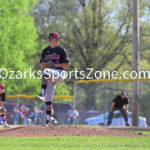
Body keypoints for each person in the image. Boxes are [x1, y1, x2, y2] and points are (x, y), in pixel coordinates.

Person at [36, 32, 70, 126]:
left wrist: (55, 65)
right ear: (50, 39)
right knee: (48, 98)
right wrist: (44, 64)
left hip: (59, 73)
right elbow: (41, 63)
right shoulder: (45, 51)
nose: (57, 41)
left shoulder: (61, 50)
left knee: (46, 72)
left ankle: (41, 93)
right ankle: (47, 121)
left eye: (58, 39)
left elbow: (67, 64)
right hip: (50, 75)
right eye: (55, 39)